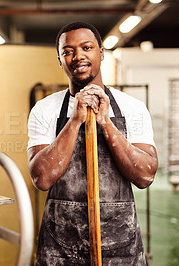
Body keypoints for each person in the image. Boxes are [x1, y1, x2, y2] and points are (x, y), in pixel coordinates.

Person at [27, 22, 158, 265]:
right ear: (60, 59)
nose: (77, 56)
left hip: (120, 244)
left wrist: (106, 123)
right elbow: (41, 178)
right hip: (60, 245)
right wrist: (75, 120)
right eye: (67, 51)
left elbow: (145, 176)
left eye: (86, 47)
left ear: (101, 53)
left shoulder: (132, 108)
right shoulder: (45, 110)